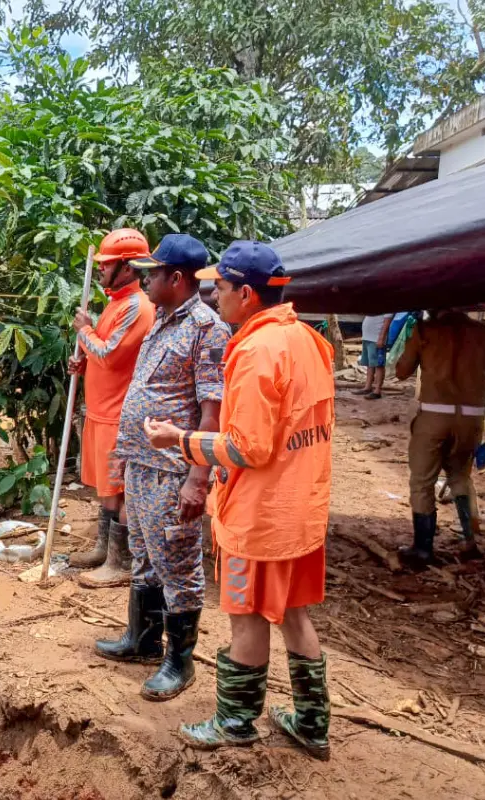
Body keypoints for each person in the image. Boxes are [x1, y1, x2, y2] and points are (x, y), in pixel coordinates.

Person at [143, 240, 335, 760]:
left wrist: (177, 440)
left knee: (246, 615)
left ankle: (235, 721)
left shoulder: (254, 352)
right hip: (302, 506)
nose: (213, 294)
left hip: (261, 513)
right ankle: (313, 723)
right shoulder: (309, 341)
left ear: (246, 293)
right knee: (293, 612)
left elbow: (246, 448)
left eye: (220, 286)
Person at [93, 233, 228, 701]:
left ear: (176, 278)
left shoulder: (207, 329)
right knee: (146, 555)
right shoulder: (164, 320)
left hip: (175, 469)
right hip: (142, 462)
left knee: (177, 562)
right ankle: (143, 640)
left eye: (153, 272)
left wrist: (198, 478)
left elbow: (212, 413)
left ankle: (179, 661)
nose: (144, 278)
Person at [67, 229, 157, 586]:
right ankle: (104, 549)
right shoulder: (116, 303)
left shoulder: (137, 307)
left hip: (119, 414)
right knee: (106, 484)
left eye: (106, 264)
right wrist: (83, 360)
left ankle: (120, 563)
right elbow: (101, 353)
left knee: (119, 486)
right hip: (101, 411)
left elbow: (109, 352)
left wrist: (85, 333)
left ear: (128, 267)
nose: (101, 270)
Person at [394, 310, 485, 566]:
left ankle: (423, 549)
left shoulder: (425, 331)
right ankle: (469, 542)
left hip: (433, 417)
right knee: (461, 476)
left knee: (422, 482)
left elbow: (402, 371)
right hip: (471, 419)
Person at [354, 314, 394, 399]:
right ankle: (368, 387)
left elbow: (387, 321)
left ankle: (377, 391)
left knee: (378, 364)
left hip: (376, 338)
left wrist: (382, 338)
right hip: (367, 338)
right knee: (369, 364)